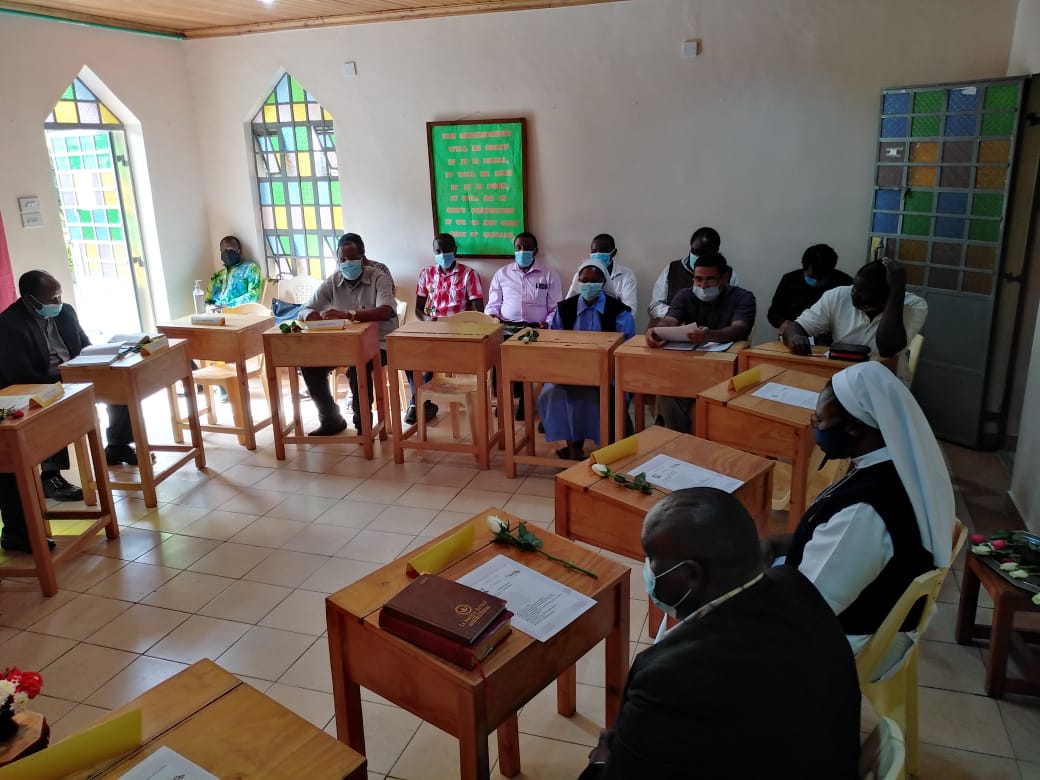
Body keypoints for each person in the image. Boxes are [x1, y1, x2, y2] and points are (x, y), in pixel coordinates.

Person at [577, 487, 861, 779]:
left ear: (691, 575)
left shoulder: (668, 679)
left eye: (651, 558)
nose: (648, 569)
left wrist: (600, 764)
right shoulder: (795, 586)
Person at [763, 361, 954, 656]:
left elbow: (805, 606)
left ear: (854, 426)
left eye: (819, 421)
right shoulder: (893, 467)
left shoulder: (865, 512)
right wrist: (776, 544)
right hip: (851, 606)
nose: (816, 429)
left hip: (840, 642)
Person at [0, 271, 140, 552]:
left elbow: (84, 346)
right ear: (29, 299)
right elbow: (19, 374)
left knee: (118, 383)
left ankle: (118, 444)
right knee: (55, 413)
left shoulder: (65, 313)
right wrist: (60, 382)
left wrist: (99, 362)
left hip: (74, 375)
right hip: (42, 383)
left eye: (59, 295)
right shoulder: (9, 324)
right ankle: (51, 475)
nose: (58, 302)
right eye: (51, 298)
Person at [297, 235, 398, 435]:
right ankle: (331, 419)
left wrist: (348, 315)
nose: (346, 263)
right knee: (309, 364)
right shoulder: (333, 280)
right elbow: (305, 308)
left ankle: (363, 425)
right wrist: (309, 314)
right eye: (342, 259)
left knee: (358, 366)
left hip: (378, 343)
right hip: (343, 343)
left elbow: (386, 311)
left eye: (351, 259)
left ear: (363, 258)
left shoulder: (379, 277)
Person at [645, 252, 756, 432]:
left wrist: (710, 335)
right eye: (698, 279)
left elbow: (740, 328)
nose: (703, 285)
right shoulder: (685, 295)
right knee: (667, 390)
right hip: (690, 367)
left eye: (710, 280)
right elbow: (670, 320)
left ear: (724, 278)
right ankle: (678, 440)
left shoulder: (743, 298)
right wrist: (657, 331)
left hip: (727, 370)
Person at [537, 258, 634, 460]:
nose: (590, 285)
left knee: (606, 395)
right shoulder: (565, 309)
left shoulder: (619, 311)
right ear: (578, 282)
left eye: (595, 281)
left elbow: (627, 348)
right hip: (570, 373)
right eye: (585, 280)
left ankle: (607, 447)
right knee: (552, 392)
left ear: (603, 283)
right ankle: (573, 447)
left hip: (608, 373)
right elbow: (554, 341)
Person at [783, 257, 927, 382]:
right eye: (855, 288)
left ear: (888, 296)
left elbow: (887, 349)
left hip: (886, 380)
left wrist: (896, 292)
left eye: (866, 297)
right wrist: (795, 337)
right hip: (841, 375)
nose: (855, 296)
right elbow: (796, 327)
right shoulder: (838, 295)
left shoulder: (914, 305)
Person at [406, 233, 485, 425]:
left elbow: (479, 312)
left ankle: (418, 403)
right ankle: (420, 401)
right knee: (407, 357)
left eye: (446, 250)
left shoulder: (469, 274)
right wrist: (427, 319)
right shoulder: (426, 274)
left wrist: (463, 325)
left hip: (459, 333)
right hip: (433, 328)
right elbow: (418, 308)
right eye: (438, 251)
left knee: (431, 357)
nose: (442, 254)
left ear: (455, 250)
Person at [484, 231, 562, 420]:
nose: (522, 251)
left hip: (536, 329)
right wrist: (492, 317)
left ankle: (525, 402)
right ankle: (504, 399)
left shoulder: (549, 274)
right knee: (501, 359)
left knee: (528, 361)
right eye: (518, 247)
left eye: (527, 247)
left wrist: (547, 323)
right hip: (506, 328)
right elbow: (493, 304)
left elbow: (556, 307)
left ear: (535, 250)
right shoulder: (502, 274)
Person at [767, 243, 853, 340]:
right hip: (794, 336)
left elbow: (851, 319)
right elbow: (773, 313)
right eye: (812, 277)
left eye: (820, 278)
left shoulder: (845, 285)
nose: (816, 281)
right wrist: (783, 322)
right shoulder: (790, 279)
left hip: (830, 341)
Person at [647, 227, 721, 325]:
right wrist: (677, 314)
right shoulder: (672, 269)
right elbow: (655, 306)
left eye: (703, 254)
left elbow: (732, 310)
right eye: (695, 251)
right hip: (675, 328)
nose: (703, 285)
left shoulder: (726, 275)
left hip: (713, 330)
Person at [564, 234, 637, 312]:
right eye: (594, 251)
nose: (598, 254)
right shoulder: (582, 275)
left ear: (614, 253)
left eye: (603, 250)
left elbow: (630, 311)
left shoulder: (627, 275)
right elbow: (567, 305)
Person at [205, 235, 264, 309]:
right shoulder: (216, 276)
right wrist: (210, 308)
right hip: (215, 313)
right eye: (225, 250)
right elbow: (207, 301)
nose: (228, 253)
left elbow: (254, 296)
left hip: (239, 312)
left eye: (231, 250)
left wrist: (227, 306)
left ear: (238, 251)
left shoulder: (251, 269)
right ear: (221, 251)